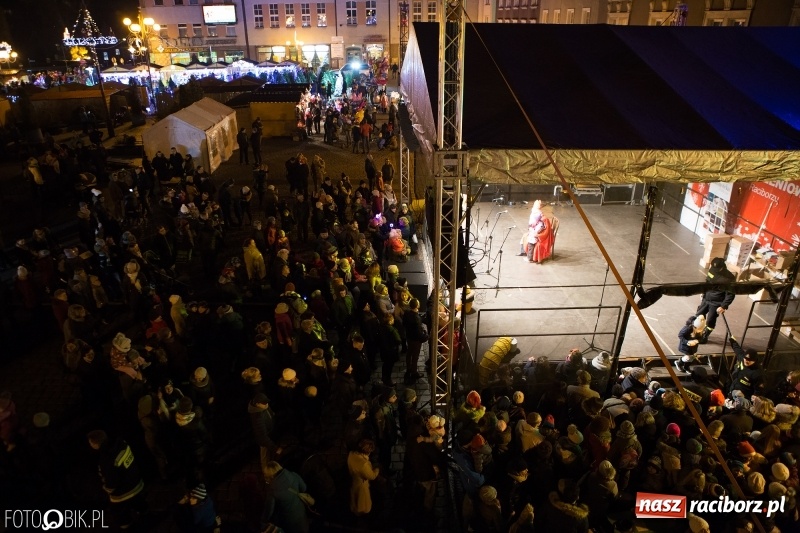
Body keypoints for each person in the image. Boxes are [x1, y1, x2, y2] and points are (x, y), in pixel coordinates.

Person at [695, 257, 736, 343]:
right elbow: (707, 281)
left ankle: (705, 336)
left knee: (710, 320)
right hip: (707, 298)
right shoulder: (712, 270)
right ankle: (697, 333)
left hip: (716, 302)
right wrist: (703, 291)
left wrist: (724, 306)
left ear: (722, 268)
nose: (714, 269)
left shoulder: (729, 278)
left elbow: (730, 294)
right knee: (699, 315)